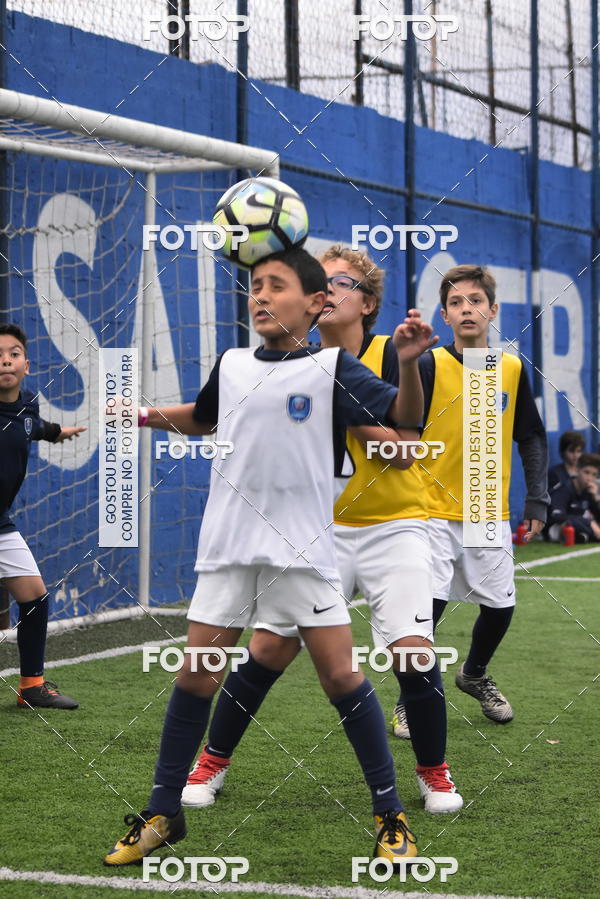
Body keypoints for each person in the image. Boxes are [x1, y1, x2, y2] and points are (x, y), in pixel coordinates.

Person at [104, 247, 436, 867]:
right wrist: (141, 414)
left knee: (342, 677)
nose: (260, 296)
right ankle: (163, 811)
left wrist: (411, 364)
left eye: (276, 286)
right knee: (196, 674)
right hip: (227, 549)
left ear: (315, 303)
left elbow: (403, 418)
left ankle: (390, 816)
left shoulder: (333, 367)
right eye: (255, 285)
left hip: (302, 552)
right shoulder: (231, 363)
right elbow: (204, 418)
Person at [180, 245, 462, 820]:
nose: (329, 290)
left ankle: (434, 772)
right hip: (316, 532)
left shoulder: (396, 353)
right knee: (266, 649)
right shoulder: (285, 362)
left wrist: (344, 407)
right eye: (323, 282)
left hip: (393, 527)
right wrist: (140, 414)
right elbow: (215, 421)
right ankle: (210, 762)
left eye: (342, 282)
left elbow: (407, 449)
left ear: (368, 303)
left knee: (412, 654)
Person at [393, 265, 549, 729]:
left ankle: (474, 674)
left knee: (500, 607)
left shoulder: (510, 368)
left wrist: (537, 499)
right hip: (429, 508)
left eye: (476, 301)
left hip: (486, 507)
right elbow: (403, 430)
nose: (467, 309)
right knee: (427, 609)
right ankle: (409, 699)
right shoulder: (427, 364)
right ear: (444, 315)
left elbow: (531, 436)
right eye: (456, 302)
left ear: (493, 310)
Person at [0, 323, 85, 709]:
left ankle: (32, 688)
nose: (6, 360)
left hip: (1, 523)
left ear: (26, 365)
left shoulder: (27, 405)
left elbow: (33, 427)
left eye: (13, 353)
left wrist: (58, 432)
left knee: (34, 597)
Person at [546, 453, 600, 543]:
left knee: (588, 523)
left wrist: (596, 499)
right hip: (556, 528)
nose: (589, 478)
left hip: (581, 526)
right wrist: (589, 522)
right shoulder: (564, 489)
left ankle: (585, 536)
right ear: (577, 470)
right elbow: (556, 516)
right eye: (586, 472)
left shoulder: (589, 491)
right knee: (571, 523)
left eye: (594, 474)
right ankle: (589, 536)